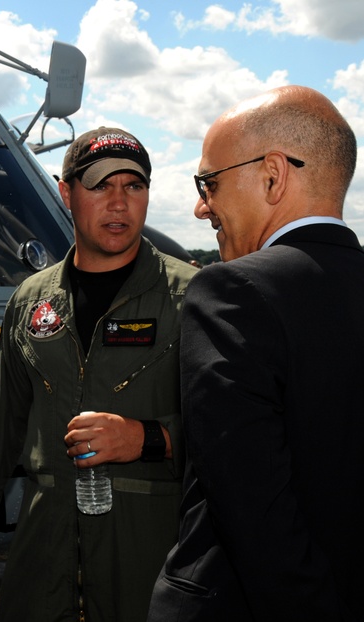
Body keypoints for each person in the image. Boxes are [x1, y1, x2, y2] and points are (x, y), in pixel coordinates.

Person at [0, 128, 198, 621]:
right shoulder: (32, 300)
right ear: (66, 192)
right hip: (45, 554)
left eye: (133, 186)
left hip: (151, 559)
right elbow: (0, 422)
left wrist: (147, 438)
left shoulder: (193, 297)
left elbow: (239, 435)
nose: (119, 204)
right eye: (101, 185)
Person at [148, 86, 363, 620]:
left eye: (209, 183)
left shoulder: (231, 292)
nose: (201, 207)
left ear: (273, 175)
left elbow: (253, 512)